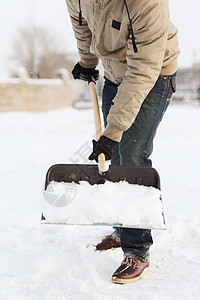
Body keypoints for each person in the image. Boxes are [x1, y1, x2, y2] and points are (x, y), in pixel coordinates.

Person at [65, 0, 179, 284]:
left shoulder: (147, 3)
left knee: (130, 156)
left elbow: (142, 72)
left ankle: (137, 250)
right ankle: (124, 227)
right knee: (115, 158)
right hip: (115, 74)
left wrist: (112, 132)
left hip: (152, 76)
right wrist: (87, 62)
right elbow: (82, 26)